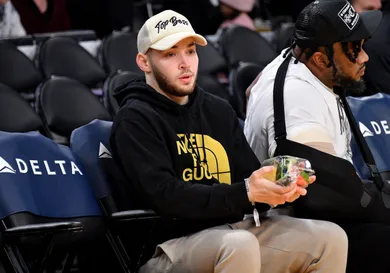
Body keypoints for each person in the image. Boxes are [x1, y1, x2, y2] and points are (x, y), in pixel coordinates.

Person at [108, 9, 348, 273]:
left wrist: (275, 187)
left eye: (190, 51)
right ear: (143, 62)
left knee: (330, 238)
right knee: (239, 244)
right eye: (170, 54)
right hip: (167, 245)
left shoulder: (217, 109)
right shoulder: (134, 119)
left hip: (232, 231)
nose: (185, 63)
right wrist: (246, 191)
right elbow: (165, 196)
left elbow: (248, 178)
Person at [244, 1, 390, 272]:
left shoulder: (297, 58)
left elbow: (250, 91)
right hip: (289, 224)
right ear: (321, 59)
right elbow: (320, 197)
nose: (365, 57)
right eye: (353, 50)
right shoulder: (298, 100)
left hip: (318, 215)